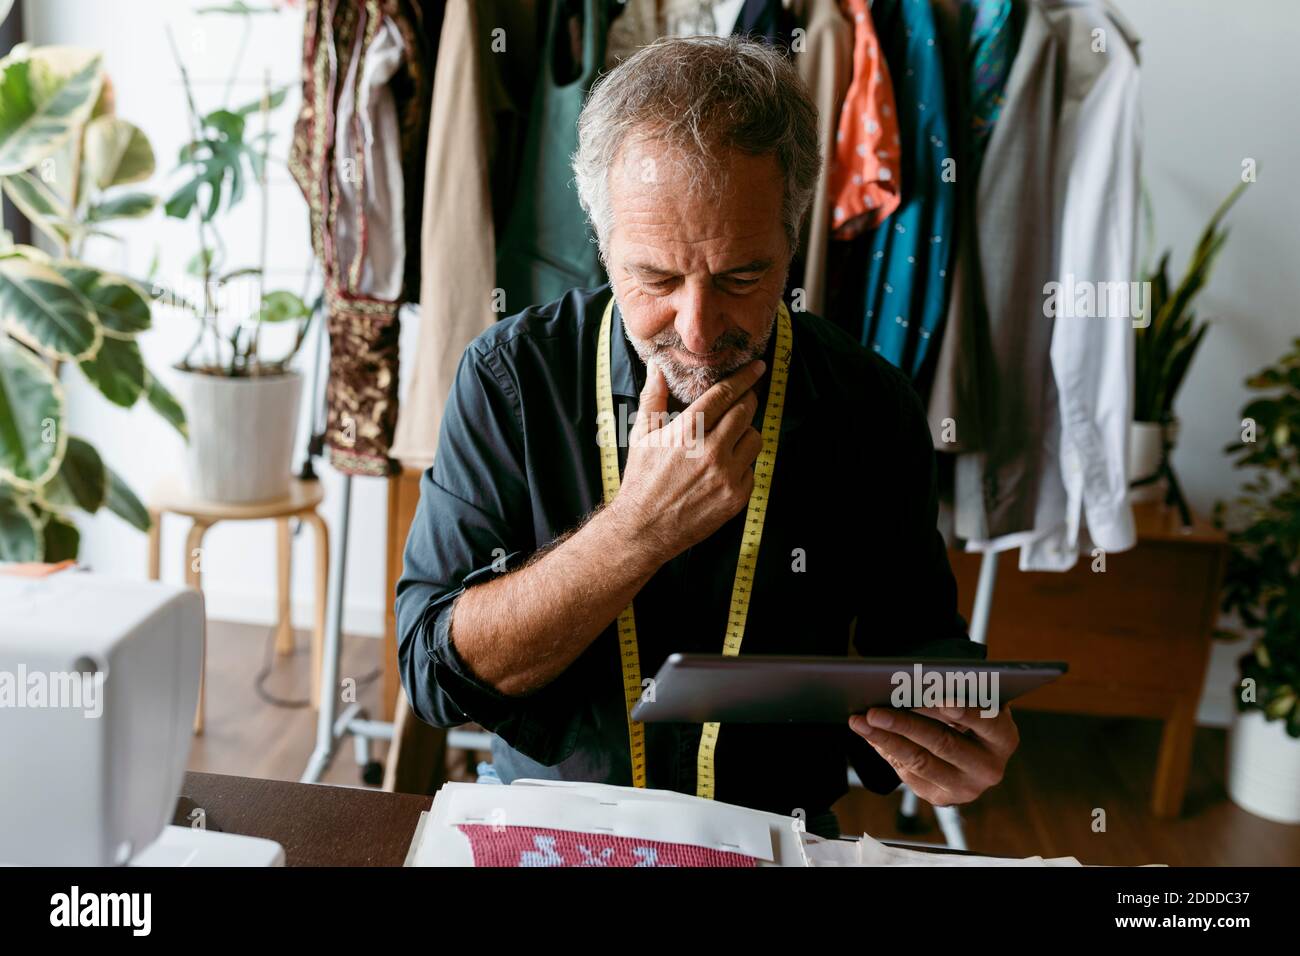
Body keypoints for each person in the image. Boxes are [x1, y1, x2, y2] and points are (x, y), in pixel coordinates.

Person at [396, 35, 1018, 840]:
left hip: (779, 835)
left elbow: (916, 640)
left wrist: (957, 728)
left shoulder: (871, 404)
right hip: (547, 827)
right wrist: (635, 532)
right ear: (602, 240)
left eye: (741, 278)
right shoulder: (513, 378)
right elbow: (433, 673)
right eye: (655, 279)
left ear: (792, 243)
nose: (696, 330)